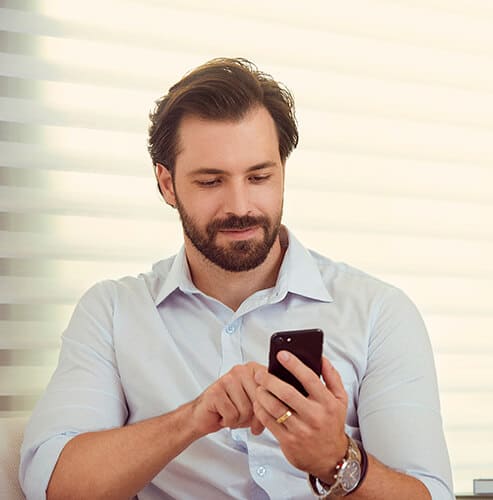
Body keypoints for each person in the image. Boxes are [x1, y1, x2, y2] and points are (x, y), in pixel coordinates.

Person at [19, 57, 454, 500]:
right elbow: (52, 484)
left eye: (260, 176)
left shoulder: (379, 313)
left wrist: (334, 459)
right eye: (211, 182)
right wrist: (192, 419)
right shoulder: (112, 313)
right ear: (166, 184)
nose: (240, 205)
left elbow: (430, 495)